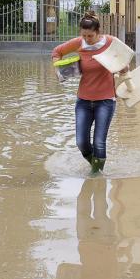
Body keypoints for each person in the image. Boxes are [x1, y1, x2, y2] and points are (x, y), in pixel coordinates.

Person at [52, 13, 124, 173]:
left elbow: (124, 58)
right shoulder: (79, 43)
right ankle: (96, 168)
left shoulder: (111, 42)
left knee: (99, 142)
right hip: (83, 101)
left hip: (106, 101)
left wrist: (123, 67)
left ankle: (96, 176)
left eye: (90, 35)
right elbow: (57, 51)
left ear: (98, 32)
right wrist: (59, 68)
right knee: (81, 142)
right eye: (83, 35)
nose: (87, 39)